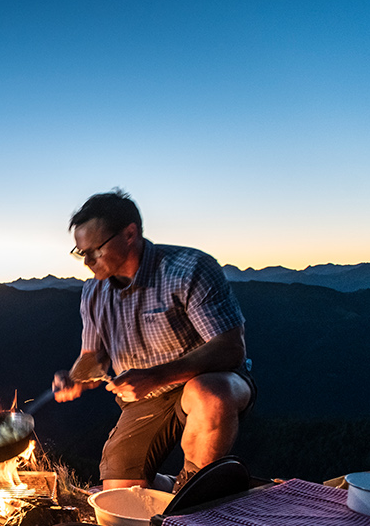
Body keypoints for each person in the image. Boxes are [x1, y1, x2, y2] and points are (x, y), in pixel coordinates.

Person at [49, 190, 255, 493]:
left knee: (209, 393)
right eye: (82, 253)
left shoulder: (189, 269)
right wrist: (76, 377)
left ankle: (193, 489)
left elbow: (230, 348)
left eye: (95, 250)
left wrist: (155, 376)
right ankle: (171, 489)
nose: (88, 262)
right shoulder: (94, 293)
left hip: (209, 380)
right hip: (145, 398)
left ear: (130, 233)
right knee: (121, 494)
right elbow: (93, 356)